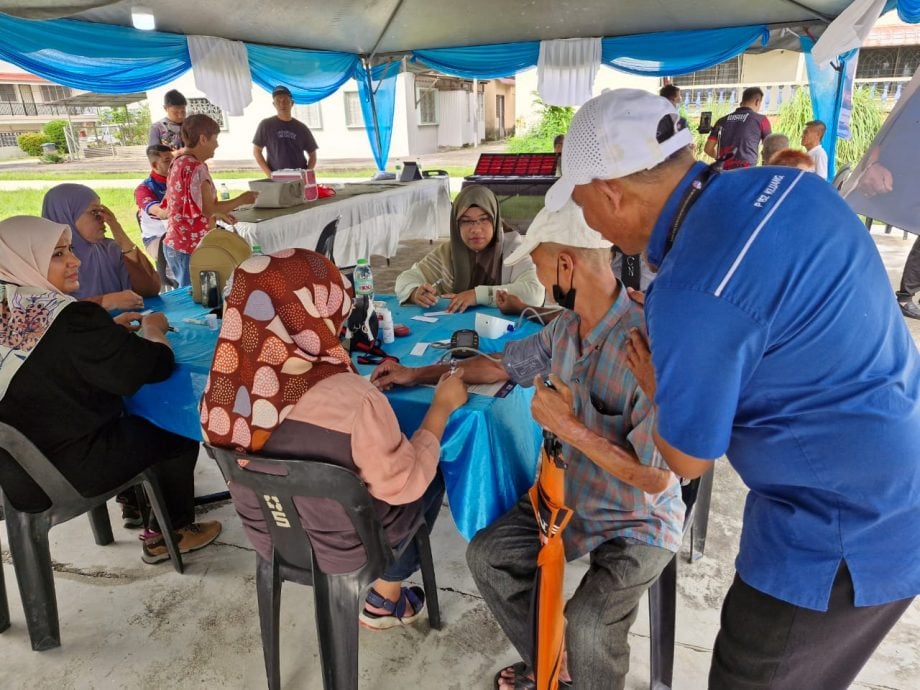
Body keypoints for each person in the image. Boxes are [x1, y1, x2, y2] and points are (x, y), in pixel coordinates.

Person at [545, 88, 920, 690]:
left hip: (840, 531)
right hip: (897, 461)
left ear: (611, 191)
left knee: (754, 673)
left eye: (584, 203)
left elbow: (688, 461)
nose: (589, 223)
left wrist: (661, 386)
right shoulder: (795, 188)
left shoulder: (691, 289)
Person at [372, 201, 684, 688]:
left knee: (588, 623)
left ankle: (576, 669)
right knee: (488, 557)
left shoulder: (646, 344)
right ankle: (550, 665)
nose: (537, 278)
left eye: (538, 265)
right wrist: (419, 372)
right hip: (567, 498)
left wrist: (572, 426)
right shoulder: (563, 328)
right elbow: (497, 366)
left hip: (636, 519)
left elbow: (657, 478)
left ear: (566, 265)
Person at [200, 248, 468, 629]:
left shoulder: (220, 388)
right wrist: (440, 410)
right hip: (348, 547)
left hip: (271, 539)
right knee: (426, 468)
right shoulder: (353, 399)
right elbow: (404, 485)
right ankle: (386, 594)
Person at [0, 216, 221, 564]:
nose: (75, 260)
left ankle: (138, 507)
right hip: (65, 472)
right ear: (24, 260)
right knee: (172, 426)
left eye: (70, 249)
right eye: (58, 254)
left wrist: (103, 331)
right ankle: (168, 533)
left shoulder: (13, 307)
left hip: (13, 475)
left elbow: (49, 357)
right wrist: (154, 327)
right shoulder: (70, 321)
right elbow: (154, 366)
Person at [395, 185, 544, 313]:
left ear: (495, 220)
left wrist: (477, 295)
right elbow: (405, 279)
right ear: (456, 225)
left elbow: (534, 294)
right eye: (466, 221)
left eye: (484, 219)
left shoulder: (515, 250)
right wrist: (415, 292)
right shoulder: (449, 252)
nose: (476, 229)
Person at [846, 92, 920, 319]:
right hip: (888, 183)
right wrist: (873, 163)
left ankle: (906, 295)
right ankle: (905, 296)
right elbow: (886, 134)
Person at [163, 114, 258, 287]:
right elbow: (208, 208)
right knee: (198, 302)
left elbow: (192, 204)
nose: (217, 144)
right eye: (215, 139)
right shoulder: (197, 168)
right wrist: (242, 199)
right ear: (203, 139)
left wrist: (219, 214)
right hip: (191, 248)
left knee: (190, 297)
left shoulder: (178, 161)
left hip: (176, 244)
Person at [42, 183, 159, 311]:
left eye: (101, 211)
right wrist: (105, 302)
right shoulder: (44, 262)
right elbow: (47, 313)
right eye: (94, 212)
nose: (102, 218)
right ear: (67, 215)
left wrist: (118, 231)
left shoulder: (109, 249)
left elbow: (150, 289)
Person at [252, 85, 318, 176]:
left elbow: (313, 155)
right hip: (276, 177)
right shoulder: (266, 125)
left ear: (292, 103)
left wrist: (306, 174)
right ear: (274, 104)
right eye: (278, 101)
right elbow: (257, 151)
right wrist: (270, 174)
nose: (282, 104)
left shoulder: (302, 128)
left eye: (285, 101)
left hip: (299, 178)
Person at [135, 144, 174, 288]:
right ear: (154, 164)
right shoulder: (144, 189)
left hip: (181, 233)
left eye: (173, 159)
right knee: (175, 247)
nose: (173, 164)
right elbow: (160, 212)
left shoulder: (179, 182)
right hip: (157, 238)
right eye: (167, 161)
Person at [704, 86, 771, 169]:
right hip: (746, 171)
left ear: (742, 101)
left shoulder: (722, 121)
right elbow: (770, 148)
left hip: (725, 172)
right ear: (757, 102)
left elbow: (708, 148)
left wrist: (720, 159)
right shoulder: (761, 120)